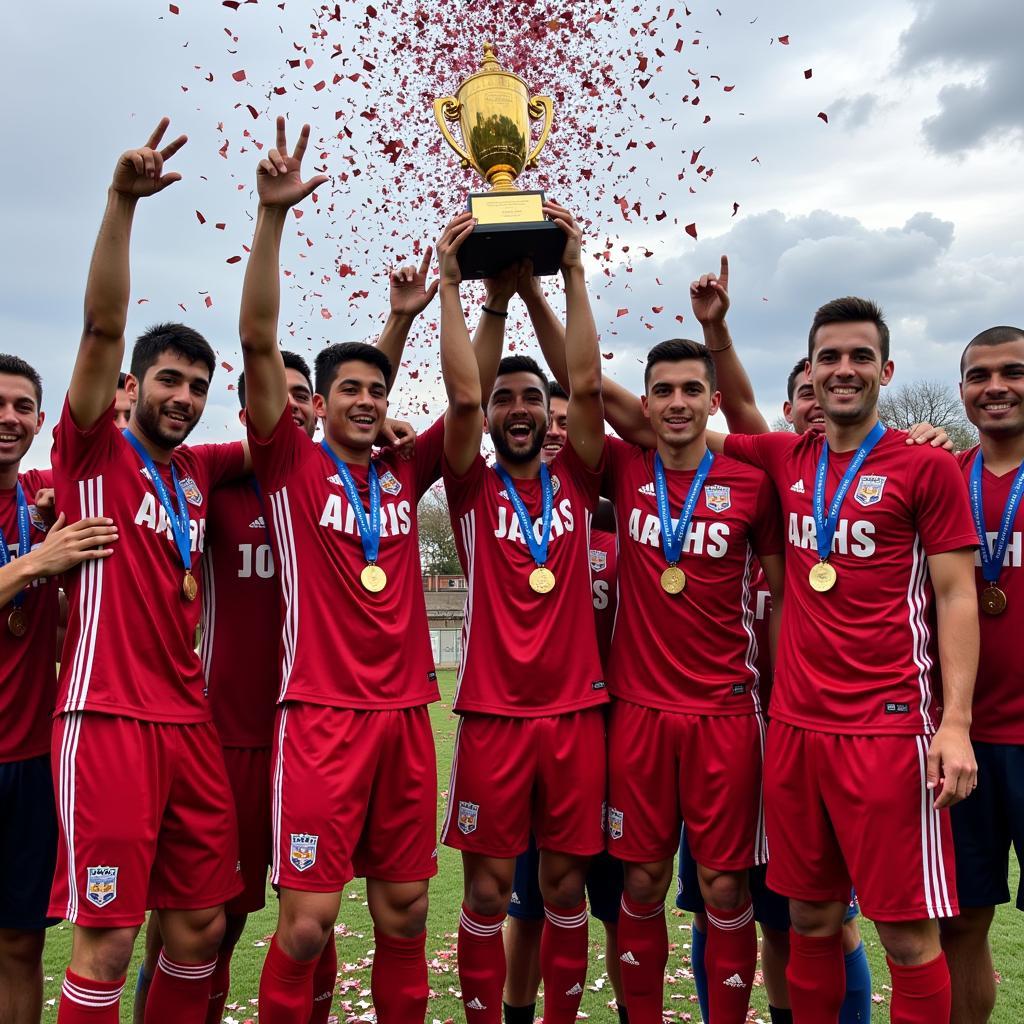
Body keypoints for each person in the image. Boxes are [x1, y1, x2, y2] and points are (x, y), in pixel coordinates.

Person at [710, 296, 979, 1024]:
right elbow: (708, 417)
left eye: (860, 356)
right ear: (812, 371)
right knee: (812, 921)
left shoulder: (926, 468)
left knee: (906, 934)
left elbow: (956, 596)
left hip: (888, 731)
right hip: (795, 730)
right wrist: (716, 332)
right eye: (829, 356)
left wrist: (953, 725)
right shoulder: (787, 457)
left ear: (886, 370)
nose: (844, 369)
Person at [238, 117, 441, 1024]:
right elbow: (254, 342)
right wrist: (272, 218)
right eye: (349, 392)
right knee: (311, 925)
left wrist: (410, 316)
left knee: (404, 915)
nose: (367, 403)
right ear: (313, 404)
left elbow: (469, 405)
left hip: (405, 714)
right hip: (319, 716)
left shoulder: (403, 465)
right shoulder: (288, 462)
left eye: (379, 391)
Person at [49, 118, 250, 1024]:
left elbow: (293, 443)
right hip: (109, 719)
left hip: (189, 722)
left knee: (201, 926)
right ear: (132, 386)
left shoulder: (199, 473)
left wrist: (378, 425)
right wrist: (122, 203)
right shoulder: (91, 452)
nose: (185, 398)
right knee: (109, 936)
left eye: (199, 387)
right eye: (170, 379)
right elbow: (99, 326)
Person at [676, 260, 873, 1024]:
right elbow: (712, 413)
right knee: (719, 900)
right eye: (807, 396)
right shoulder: (768, 472)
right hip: (728, 729)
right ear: (794, 411)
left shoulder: (883, 477)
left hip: (816, 727)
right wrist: (716, 329)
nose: (821, 410)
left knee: (821, 912)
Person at [438, 205, 607, 1024]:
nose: (516, 408)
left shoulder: (578, 474)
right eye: (505, 397)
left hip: (577, 714)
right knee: (490, 887)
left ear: (548, 413)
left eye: (529, 398)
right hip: (495, 717)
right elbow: (460, 401)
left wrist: (570, 274)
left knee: (564, 884)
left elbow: (584, 383)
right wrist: (476, 298)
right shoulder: (468, 483)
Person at [502, 378, 627, 1024]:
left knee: (619, 903)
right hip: (535, 737)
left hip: (617, 745)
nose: (552, 431)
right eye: (542, 419)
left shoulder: (622, 525)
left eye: (563, 421)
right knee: (527, 906)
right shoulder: (503, 517)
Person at [0, 356, 117, 1024]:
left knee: (20, 944)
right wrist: (38, 560)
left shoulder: (44, 494)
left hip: (31, 761)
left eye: (22, 406)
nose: (8, 418)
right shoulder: (40, 538)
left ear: (41, 421)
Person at [941, 325, 1024, 1024]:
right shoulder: (943, 477)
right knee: (961, 924)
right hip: (959, 741)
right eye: (979, 375)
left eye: (1013, 371)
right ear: (962, 390)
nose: (995, 386)